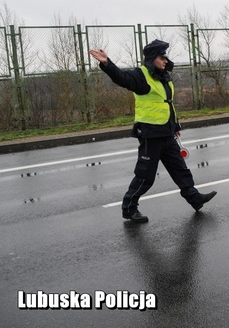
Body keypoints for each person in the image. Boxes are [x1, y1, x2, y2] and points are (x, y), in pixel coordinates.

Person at [90, 40, 217, 223]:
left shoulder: (163, 76)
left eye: (166, 57)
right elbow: (121, 78)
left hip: (166, 133)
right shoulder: (141, 76)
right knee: (145, 177)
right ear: (152, 58)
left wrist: (175, 126)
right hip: (150, 135)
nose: (165, 61)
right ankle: (129, 208)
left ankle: (195, 199)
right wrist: (107, 63)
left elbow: (166, 104)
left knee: (180, 170)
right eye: (161, 57)